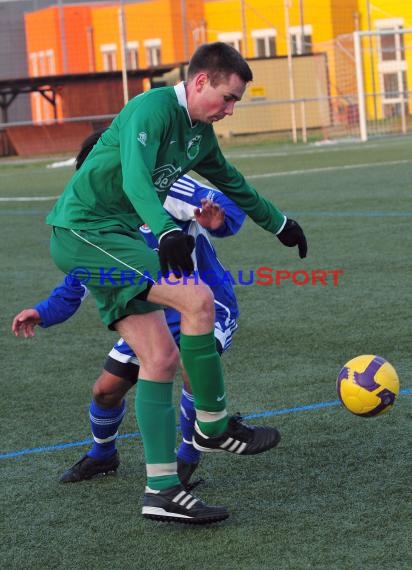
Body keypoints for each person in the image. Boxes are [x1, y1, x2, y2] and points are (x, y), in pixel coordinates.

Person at [44, 42, 307, 525]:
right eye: (227, 98)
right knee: (198, 297)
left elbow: (231, 181)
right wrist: (165, 231)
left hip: (108, 238)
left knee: (161, 359)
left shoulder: (199, 132)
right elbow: (135, 180)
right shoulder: (153, 107)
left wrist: (279, 223)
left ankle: (161, 490)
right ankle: (212, 424)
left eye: (237, 103)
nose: (230, 110)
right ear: (201, 80)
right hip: (84, 232)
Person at [13, 168, 245, 489]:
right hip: (152, 314)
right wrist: (42, 312)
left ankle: (187, 458)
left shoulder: (167, 187)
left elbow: (227, 206)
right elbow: (77, 280)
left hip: (208, 305)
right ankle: (103, 453)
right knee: (105, 391)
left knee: (195, 371)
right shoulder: (99, 218)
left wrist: (219, 222)